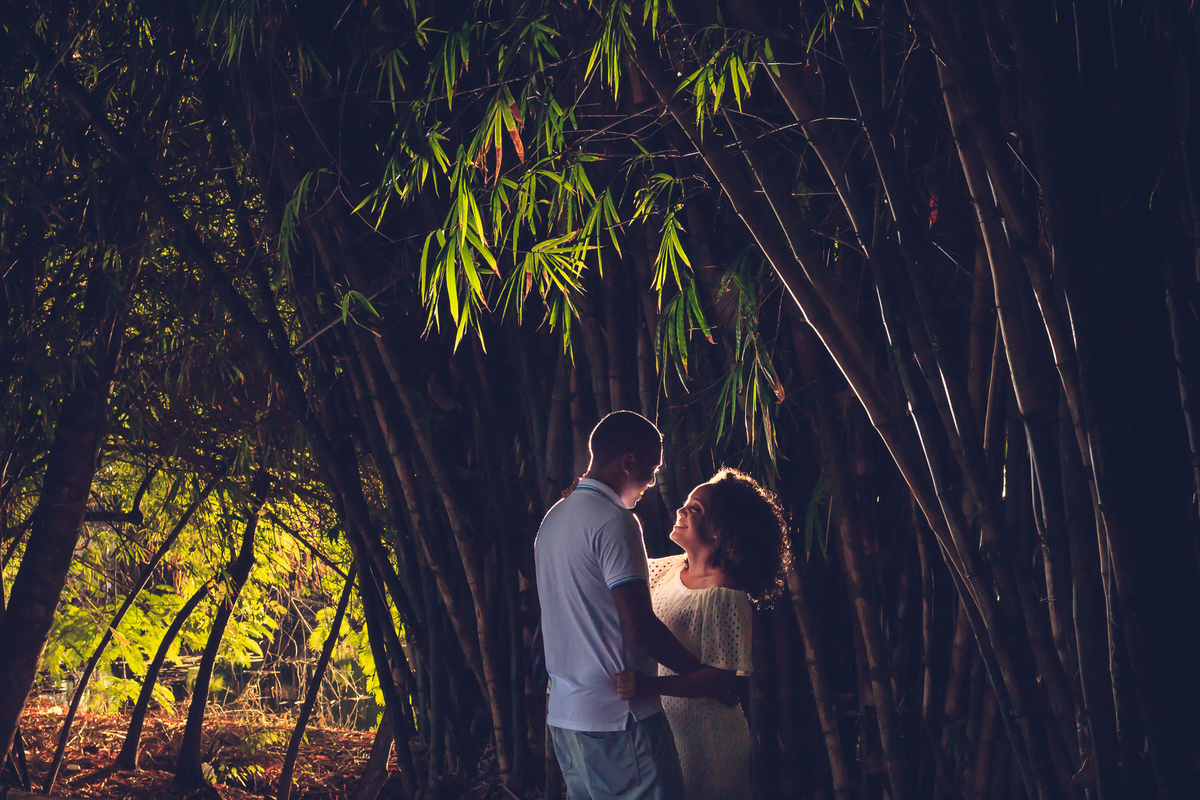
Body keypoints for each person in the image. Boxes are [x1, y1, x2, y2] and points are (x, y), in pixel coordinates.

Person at [535, 411, 728, 800]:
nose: (651, 483)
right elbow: (639, 626)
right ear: (629, 462)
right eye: (652, 470)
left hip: (566, 720)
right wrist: (702, 675)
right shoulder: (614, 522)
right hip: (618, 720)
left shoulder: (554, 520)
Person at [617, 467, 792, 800]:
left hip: (710, 739)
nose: (681, 510)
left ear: (722, 529)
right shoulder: (665, 570)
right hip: (671, 730)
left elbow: (722, 680)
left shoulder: (726, 594)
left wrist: (650, 686)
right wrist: (587, 505)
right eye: (685, 503)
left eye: (694, 509)